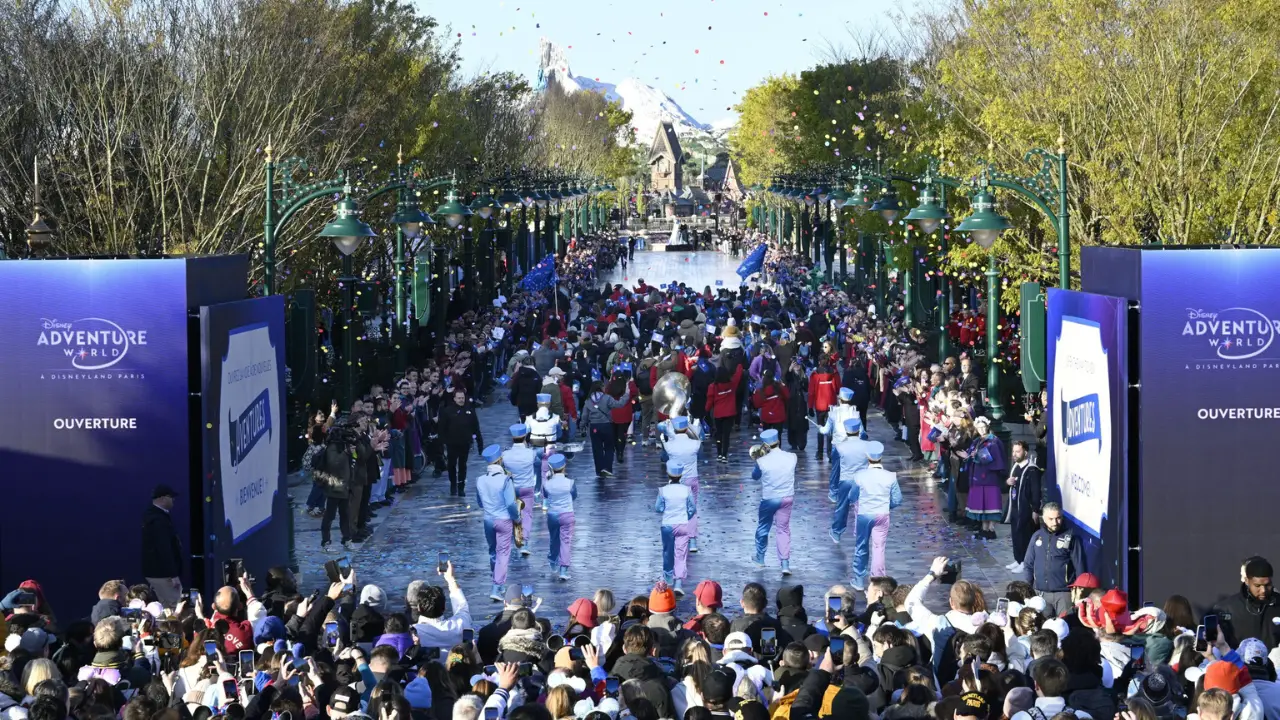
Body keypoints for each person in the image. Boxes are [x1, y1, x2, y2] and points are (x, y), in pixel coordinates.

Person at [847, 441, 904, 592]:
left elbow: (852, 496)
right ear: (881, 456)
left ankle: (859, 579)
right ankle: (877, 583)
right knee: (879, 548)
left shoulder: (859, 476)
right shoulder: (890, 476)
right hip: (882, 515)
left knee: (861, 545)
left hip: (864, 514)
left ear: (867, 457)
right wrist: (886, 506)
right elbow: (897, 499)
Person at [1023, 502, 1085, 616]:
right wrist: (1028, 589)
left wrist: (1079, 593)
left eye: (1058, 518)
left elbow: (1080, 567)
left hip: (1064, 594)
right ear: (1044, 518)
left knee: (1065, 624)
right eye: (1051, 519)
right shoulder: (1037, 536)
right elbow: (1028, 564)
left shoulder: (1071, 537)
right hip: (1041, 594)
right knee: (1043, 625)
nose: (1055, 522)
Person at [475, 444, 519, 601]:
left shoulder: (480, 480)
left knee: (493, 551)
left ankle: (497, 580)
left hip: (488, 520)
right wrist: (517, 518)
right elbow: (511, 504)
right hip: (504, 520)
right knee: (503, 553)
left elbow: (480, 503)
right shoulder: (505, 480)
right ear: (500, 460)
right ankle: (496, 586)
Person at [751, 429, 797, 575]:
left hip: (769, 498)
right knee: (783, 529)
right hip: (787, 497)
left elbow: (755, 476)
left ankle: (760, 558)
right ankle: (785, 564)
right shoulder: (792, 457)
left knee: (763, 528)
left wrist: (758, 460)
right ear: (778, 441)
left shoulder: (762, 461)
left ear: (765, 445)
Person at [659, 415, 702, 553]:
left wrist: (666, 430)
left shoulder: (669, 445)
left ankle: (677, 536)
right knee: (692, 509)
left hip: (677, 480)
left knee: (676, 509)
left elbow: (665, 436)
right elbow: (697, 434)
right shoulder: (695, 444)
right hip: (692, 478)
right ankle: (692, 540)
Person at [1216, 556, 1280, 648]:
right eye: (1257, 585)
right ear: (1247, 581)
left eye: (1267, 585)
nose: (1263, 590)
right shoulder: (1226, 609)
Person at [501, 424, 543, 557]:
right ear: (525, 437)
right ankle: (524, 542)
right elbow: (538, 464)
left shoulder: (505, 454)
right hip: (527, 488)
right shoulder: (531, 453)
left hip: (511, 489)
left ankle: (511, 539)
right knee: (527, 514)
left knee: (511, 514)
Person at [655, 461, 696, 594]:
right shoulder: (687, 490)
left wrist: (665, 508)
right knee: (681, 554)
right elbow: (692, 508)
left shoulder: (663, 490)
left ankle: (668, 578)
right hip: (682, 525)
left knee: (668, 552)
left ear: (668, 473)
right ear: (681, 475)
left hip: (667, 525)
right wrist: (686, 517)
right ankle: (678, 584)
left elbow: (658, 508)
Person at [828, 417, 871, 544]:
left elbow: (834, 463)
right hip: (862, 480)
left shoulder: (840, 446)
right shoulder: (867, 445)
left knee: (842, 506)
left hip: (846, 480)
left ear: (846, 431)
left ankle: (837, 531)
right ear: (858, 430)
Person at [963, 416, 1006, 539]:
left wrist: (977, 455)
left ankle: (991, 529)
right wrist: (969, 455)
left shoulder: (994, 441)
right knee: (982, 504)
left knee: (991, 503)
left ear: (987, 427)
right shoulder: (977, 440)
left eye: (983, 427)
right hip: (978, 476)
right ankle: (984, 528)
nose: (981, 429)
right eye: (979, 427)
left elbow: (995, 458)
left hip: (989, 477)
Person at [141, 484, 184, 607]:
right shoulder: (158, 520)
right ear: (163, 498)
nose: (173, 500)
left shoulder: (156, 516)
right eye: (171, 497)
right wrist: (172, 574)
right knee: (175, 605)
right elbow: (164, 548)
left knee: (169, 606)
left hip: (158, 572)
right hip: (162, 575)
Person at [437, 389, 485, 496]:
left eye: (462, 398)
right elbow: (441, 428)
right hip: (452, 443)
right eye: (459, 398)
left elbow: (476, 427)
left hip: (465, 443)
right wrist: (442, 442)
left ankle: (461, 487)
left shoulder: (470, 410)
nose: (461, 400)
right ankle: (453, 484)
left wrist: (479, 443)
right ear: (454, 399)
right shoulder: (448, 411)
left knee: (463, 465)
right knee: (451, 465)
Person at [1005, 440, 1043, 575]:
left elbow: (1036, 491)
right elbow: (1009, 485)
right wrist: (1008, 482)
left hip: (1026, 508)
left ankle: (1025, 562)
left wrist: (1035, 510)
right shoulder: (1015, 467)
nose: (1014, 454)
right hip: (1015, 507)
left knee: (1024, 536)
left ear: (1025, 452)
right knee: (1016, 535)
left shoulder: (1032, 470)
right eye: (1013, 451)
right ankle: (1018, 559)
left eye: (1018, 451)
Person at [583, 380, 629, 477]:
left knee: (597, 449)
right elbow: (619, 404)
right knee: (609, 448)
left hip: (594, 427)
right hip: (606, 425)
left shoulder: (588, 400)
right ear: (601, 388)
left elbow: (584, 416)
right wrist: (626, 395)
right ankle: (607, 469)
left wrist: (582, 426)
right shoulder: (607, 398)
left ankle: (599, 470)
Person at [542, 454, 577, 582]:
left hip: (552, 515)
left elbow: (545, 496)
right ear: (564, 466)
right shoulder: (570, 483)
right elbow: (574, 495)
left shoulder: (547, 483)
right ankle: (563, 570)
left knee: (554, 539)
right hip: (567, 514)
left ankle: (552, 560)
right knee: (566, 541)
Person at [705, 363, 744, 462]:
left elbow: (710, 401)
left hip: (718, 414)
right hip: (730, 413)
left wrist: (706, 410)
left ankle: (719, 453)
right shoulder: (732, 384)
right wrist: (739, 364)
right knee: (726, 435)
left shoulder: (712, 387)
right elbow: (738, 374)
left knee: (719, 434)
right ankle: (724, 455)